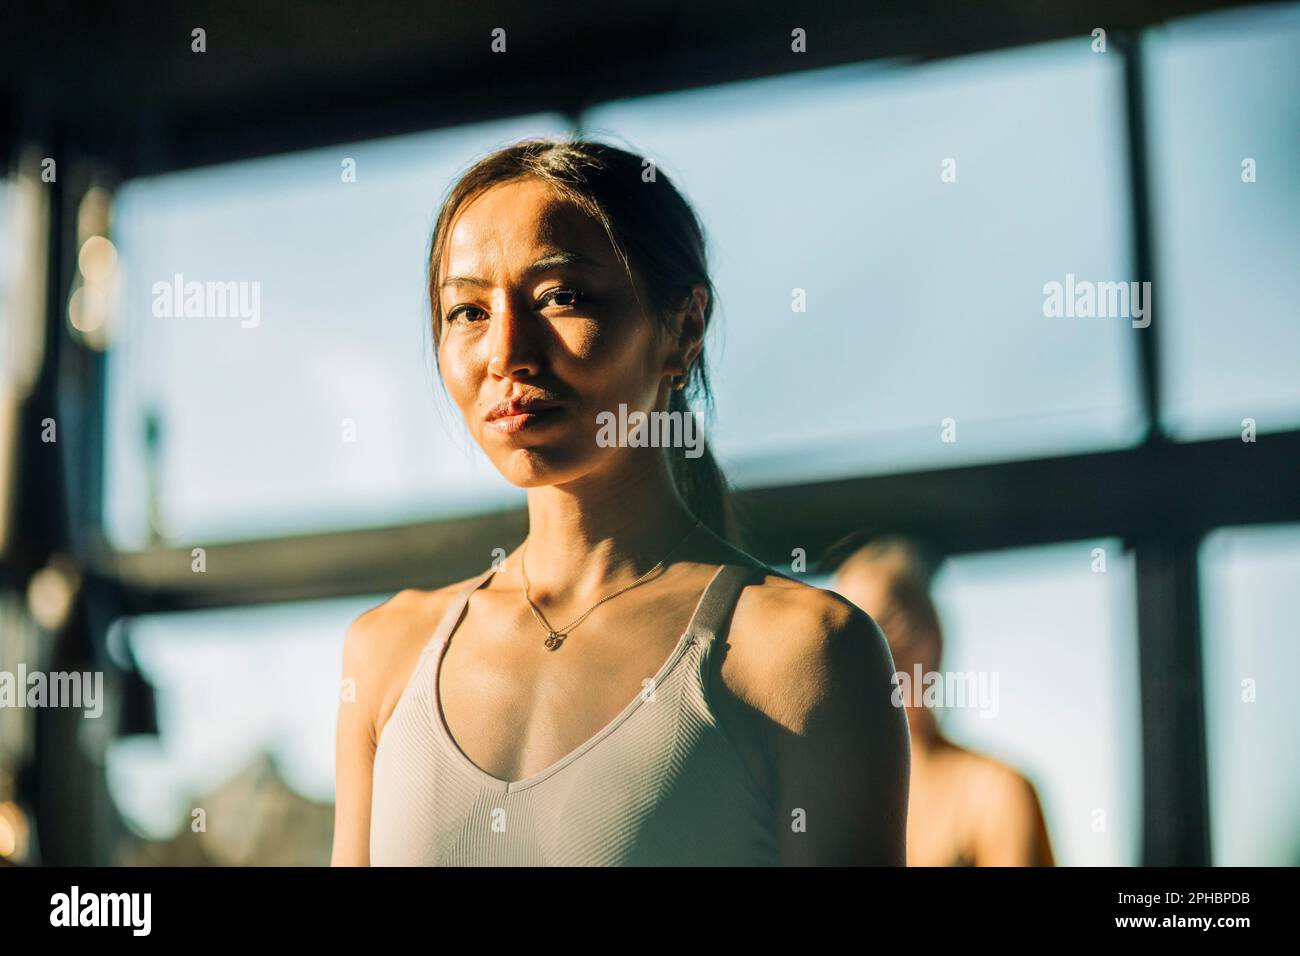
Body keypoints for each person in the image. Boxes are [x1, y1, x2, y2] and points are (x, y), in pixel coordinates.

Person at [330, 138, 909, 866]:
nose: (507, 352)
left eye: (561, 297)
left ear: (682, 328)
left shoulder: (804, 655)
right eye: (467, 312)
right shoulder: (386, 652)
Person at [830, 535, 1055, 866]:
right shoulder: (822, 797)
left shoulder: (994, 792)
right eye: (838, 640)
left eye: (885, 631)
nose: (858, 663)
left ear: (932, 642)